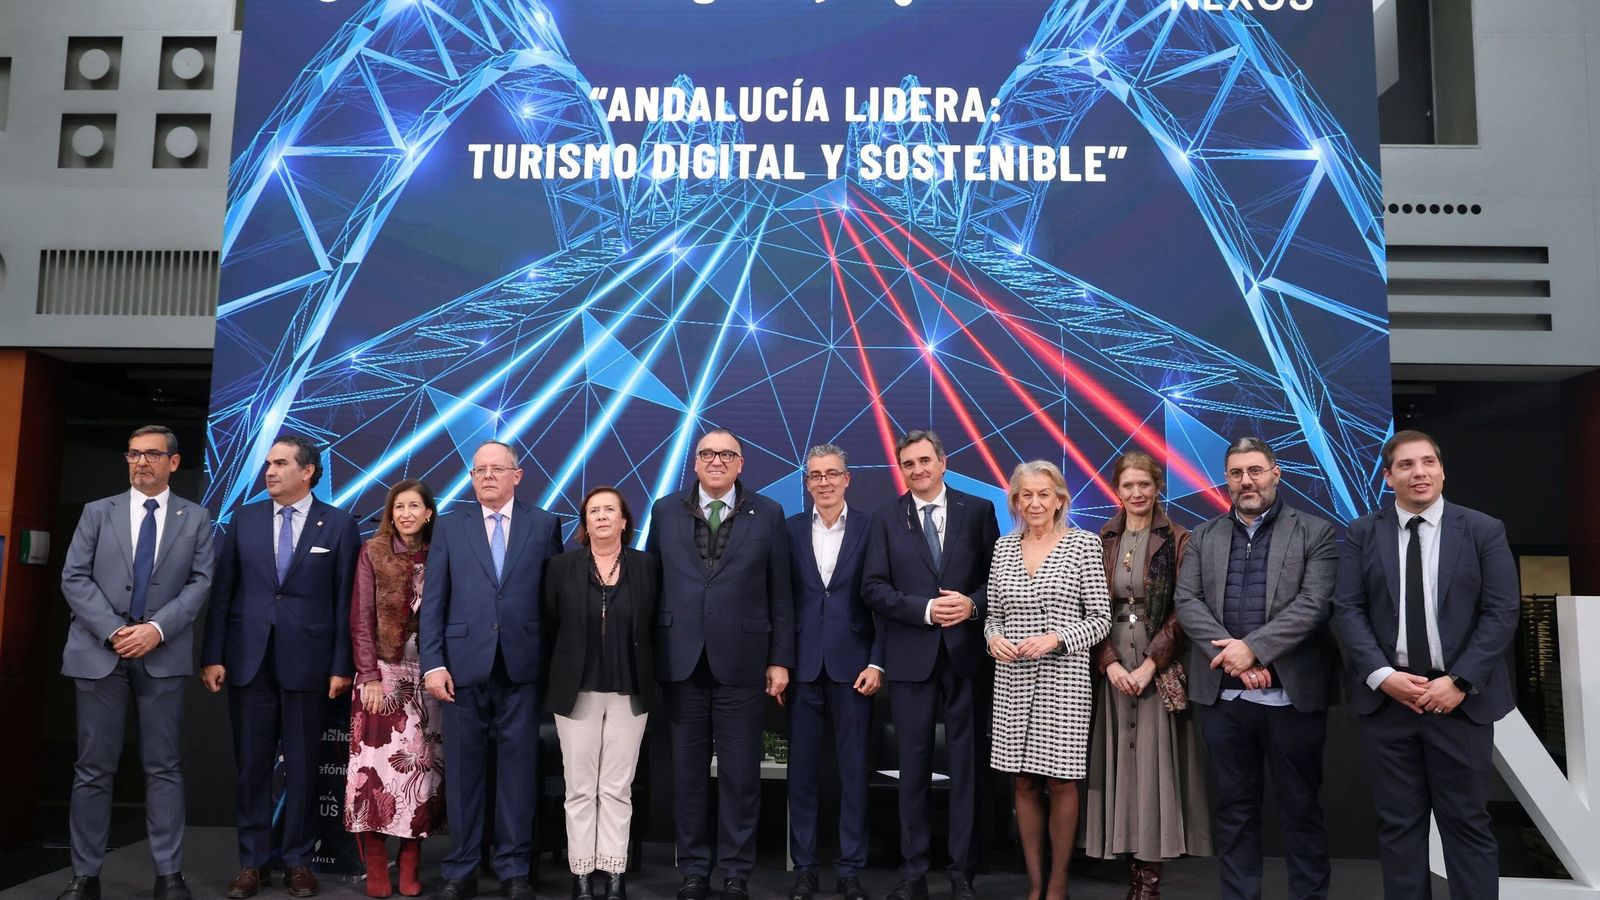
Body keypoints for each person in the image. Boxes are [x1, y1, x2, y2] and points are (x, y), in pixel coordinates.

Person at [1331, 431, 1518, 900]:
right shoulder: (1361, 533)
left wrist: (1458, 682)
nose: (1420, 472)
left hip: (1459, 703)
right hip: (1389, 702)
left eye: (1429, 462)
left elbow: (1502, 613)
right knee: (1399, 829)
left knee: (1467, 825)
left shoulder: (1482, 530)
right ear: (1388, 475)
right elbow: (1347, 610)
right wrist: (1383, 677)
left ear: (1442, 469)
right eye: (1408, 465)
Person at [1173, 437, 1340, 900]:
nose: (1246, 481)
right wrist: (1238, 660)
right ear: (1225, 480)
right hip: (1224, 699)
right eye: (1235, 473)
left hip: (1292, 698)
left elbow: (1314, 604)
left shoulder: (1315, 532)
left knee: (1301, 810)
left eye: (1255, 470)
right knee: (1235, 812)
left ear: (1275, 472)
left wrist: (1256, 650)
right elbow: (1187, 602)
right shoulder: (1203, 536)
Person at [202, 435, 362, 899]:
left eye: (280, 463)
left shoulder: (337, 525)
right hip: (248, 663)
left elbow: (344, 604)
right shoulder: (245, 520)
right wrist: (212, 654)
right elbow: (224, 593)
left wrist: (341, 665)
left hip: (309, 666)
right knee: (251, 768)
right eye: (268, 464)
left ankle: (298, 862)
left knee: (305, 768)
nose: (269, 472)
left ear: (307, 471)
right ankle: (252, 863)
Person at [57, 425, 214, 900]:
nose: (140, 462)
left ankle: (169, 877)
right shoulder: (96, 512)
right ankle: (84, 877)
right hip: (98, 652)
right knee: (92, 768)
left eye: (151, 454)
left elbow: (201, 582)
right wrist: (114, 630)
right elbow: (73, 577)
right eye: (133, 454)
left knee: (163, 767)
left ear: (173, 462)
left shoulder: (197, 517)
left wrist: (156, 629)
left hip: (161, 654)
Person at [646, 428, 794, 900]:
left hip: (744, 662)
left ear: (740, 463)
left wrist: (780, 660)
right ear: (694, 462)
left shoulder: (769, 513)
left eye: (726, 454)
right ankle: (693, 869)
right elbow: (651, 584)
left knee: (740, 775)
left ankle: (735, 872)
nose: (715, 461)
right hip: (680, 660)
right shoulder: (665, 510)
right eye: (706, 453)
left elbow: (781, 595)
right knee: (687, 775)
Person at [418, 440, 563, 900]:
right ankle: (460, 868)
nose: (486, 477)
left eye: (496, 470)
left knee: (519, 774)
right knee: (462, 773)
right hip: (460, 669)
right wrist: (434, 662)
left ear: (516, 476)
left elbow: (552, 604)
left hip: (522, 667)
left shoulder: (544, 524)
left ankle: (514, 868)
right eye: (479, 470)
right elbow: (434, 601)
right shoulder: (450, 526)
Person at [862, 429, 1000, 900]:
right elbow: (873, 587)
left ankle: (963, 873)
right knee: (913, 770)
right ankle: (913, 873)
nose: (918, 470)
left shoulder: (978, 510)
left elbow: (996, 581)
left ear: (943, 462)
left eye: (925, 460)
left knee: (966, 770)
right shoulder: (884, 518)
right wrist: (923, 610)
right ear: (901, 469)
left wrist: (972, 606)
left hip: (966, 659)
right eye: (908, 464)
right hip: (910, 660)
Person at [1082, 452, 1212, 900]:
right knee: (1120, 767)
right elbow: (1088, 607)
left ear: (1158, 487)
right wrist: (1111, 662)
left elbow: (1185, 609)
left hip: (1157, 662)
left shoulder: (1179, 538)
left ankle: (1148, 885)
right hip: (1112, 661)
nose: (1136, 493)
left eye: (1144, 484)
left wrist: (1151, 664)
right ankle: (1130, 874)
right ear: (1116, 490)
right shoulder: (1101, 538)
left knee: (1153, 770)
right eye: (1127, 486)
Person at [983, 460, 1110, 900]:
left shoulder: (1083, 545)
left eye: (1043, 494)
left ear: (1059, 500)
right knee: (1022, 782)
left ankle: (1058, 885)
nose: (1034, 503)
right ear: (1016, 502)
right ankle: (1034, 884)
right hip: (1013, 681)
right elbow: (993, 616)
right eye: (1025, 495)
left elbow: (1100, 621)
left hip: (1065, 681)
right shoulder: (1003, 547)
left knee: (1061, 782)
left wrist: (1058, 637)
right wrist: (993, 638)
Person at [545, 486, 660, 900]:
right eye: (594, 511)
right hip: (576, 691)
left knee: (616, 787)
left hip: (631, 689)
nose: (602, 517)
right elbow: (550, 624)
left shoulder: (647, 567)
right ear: (585, 521)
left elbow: (654, 628)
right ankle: (581, 874)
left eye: (610, 509)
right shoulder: (560, 567)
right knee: (579, 787)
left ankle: (613, 873)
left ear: (625, 520)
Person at [784, 445, 882, 900]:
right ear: (807, 483)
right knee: (801, 773)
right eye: (815, 476)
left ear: (848, 479)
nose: (823, 482)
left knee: (852, 773)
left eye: (831, 474)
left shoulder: (872, 528)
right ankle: (804, 867)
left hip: (855, 668)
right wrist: (779, 662)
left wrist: (877, 660)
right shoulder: (786, 531)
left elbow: (883, 600)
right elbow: (779, 603)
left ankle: (849, 869)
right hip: (801, 668)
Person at [345, 479, 444, 898]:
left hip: (429, 676)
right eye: (398, 506)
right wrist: (367, 675)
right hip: (382, 676)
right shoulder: (373, 552)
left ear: (428, 513)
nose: (405, 513)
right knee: (375, 776)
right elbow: (361, 617)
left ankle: (409, 861)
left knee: (418, 774)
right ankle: (375, 864)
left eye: (414, 506)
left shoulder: (443, 553)